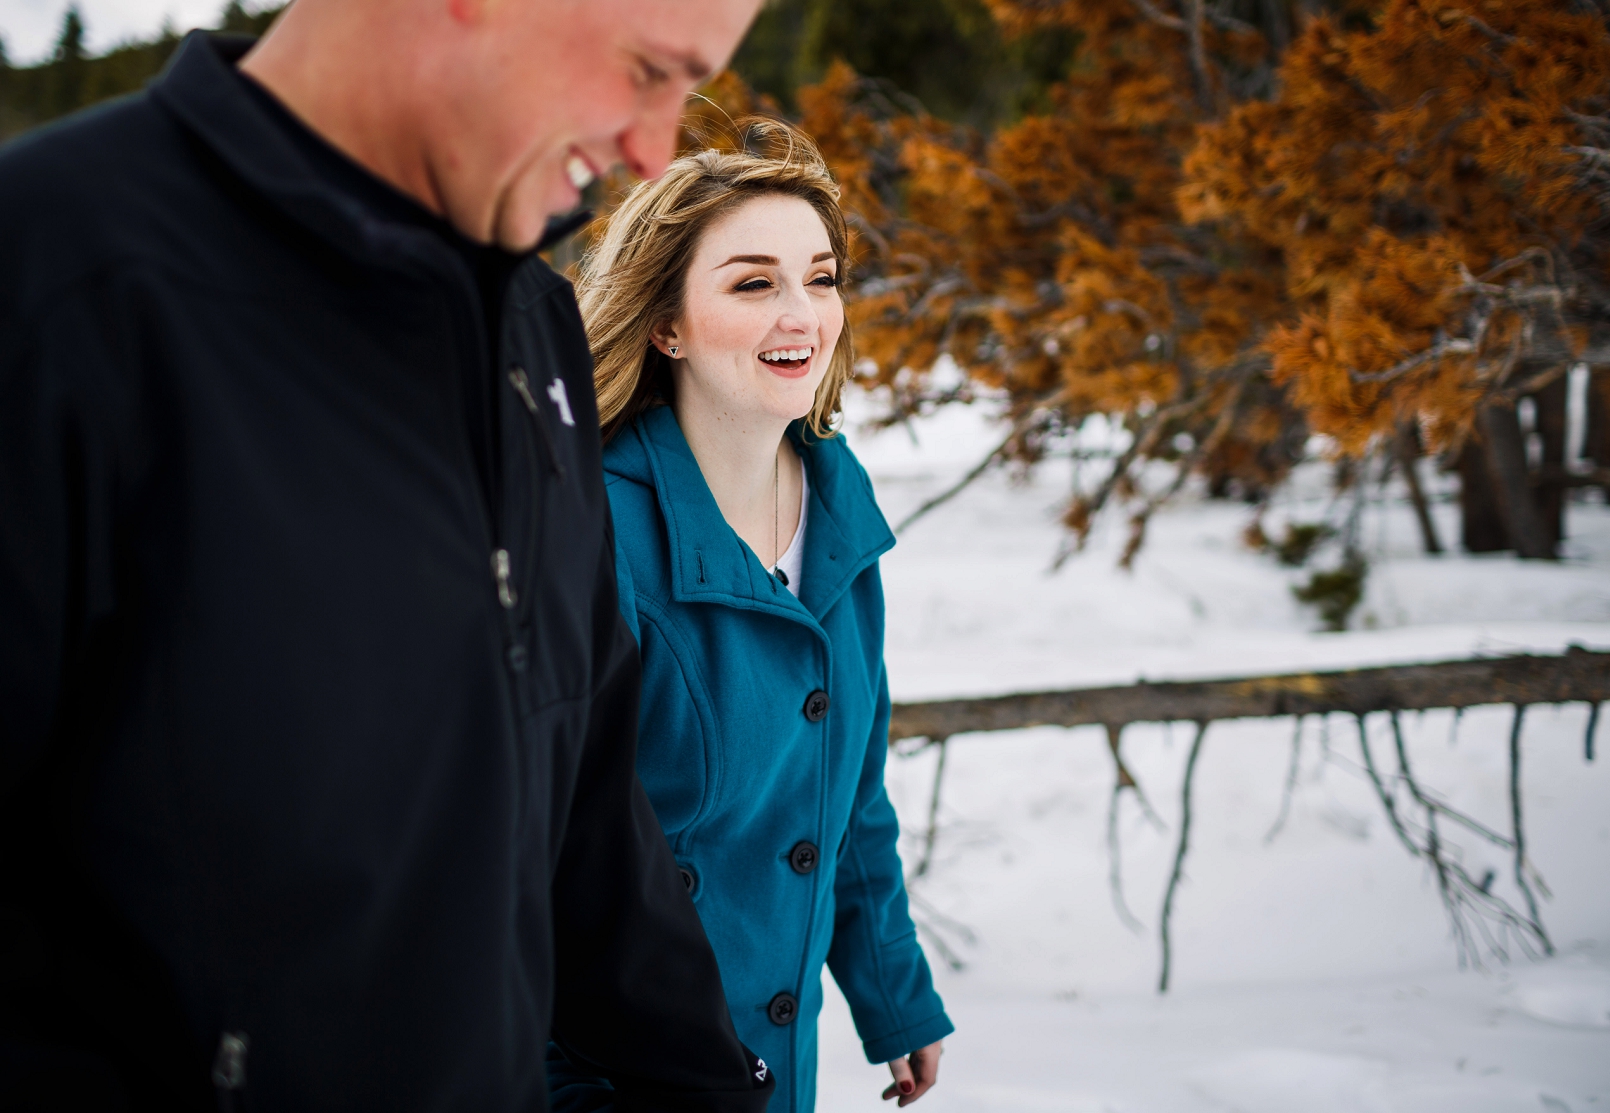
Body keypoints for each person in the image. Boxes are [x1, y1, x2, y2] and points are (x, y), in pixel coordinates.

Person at [0, 1, 776, 1109]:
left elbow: (588, 806)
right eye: (650, 71)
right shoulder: (54, 280)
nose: (654, 151)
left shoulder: (534, 326)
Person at [550, 122, 953, 1113]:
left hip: (779, 1062)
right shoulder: (586, 528)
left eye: (819, 278)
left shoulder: (839, 514)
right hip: (609, 1074)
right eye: (751, 282)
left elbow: (846, 796)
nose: (802, 315)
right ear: (666, 324)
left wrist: (891, 996)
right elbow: (536, 856)